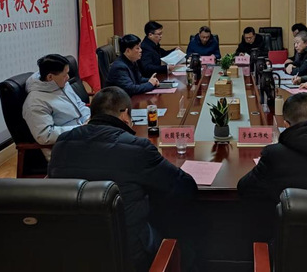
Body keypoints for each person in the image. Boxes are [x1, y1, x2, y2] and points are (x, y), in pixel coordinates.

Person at [48, 86, 197, 271]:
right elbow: (184, 187)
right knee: (185, 242)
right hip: (129, 255)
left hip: (73, 252)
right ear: (125, 115)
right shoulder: (137, 148)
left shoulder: (62, 143)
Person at [22, 54, 89, 159]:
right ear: (50, 77)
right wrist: (81, 129)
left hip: (83, 134)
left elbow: (80, 105)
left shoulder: (62, 85)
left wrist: (92, 120)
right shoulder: (35, 102)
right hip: (65, 146)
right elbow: (45, 135)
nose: (68, 77)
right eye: (65, 75)